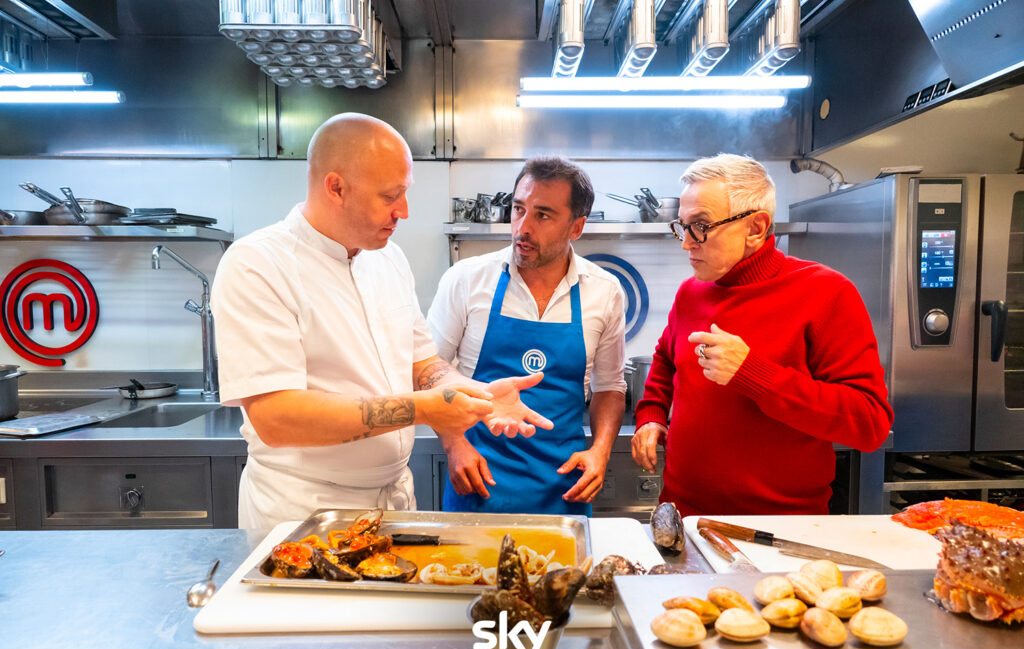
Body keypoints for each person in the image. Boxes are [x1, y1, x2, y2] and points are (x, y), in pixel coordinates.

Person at [211, 113, 552, 534]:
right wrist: (425, 411)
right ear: (335, 187)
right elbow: (277, 418)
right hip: (304, 509)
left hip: (393, 500)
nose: (404, 212)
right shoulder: (257, 265)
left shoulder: (388, 259)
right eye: (391, 196)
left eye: (404, 193)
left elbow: (423, 365)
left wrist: (474, 393)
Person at [631, 153, 893, 516]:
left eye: (701, 225)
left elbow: (869, 424)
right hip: (683, 516)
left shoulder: (826, 293)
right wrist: (652, 414)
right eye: (682, 225)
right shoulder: (692, 292)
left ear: (755, 228)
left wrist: (754, 375)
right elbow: (665, 359)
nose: (686, 243)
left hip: (779, 528)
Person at [427, 156, 627, 516]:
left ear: (576, 227)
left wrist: (600, 451)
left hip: (563, 486)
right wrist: (454, 443)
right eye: (518, 209)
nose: (522, 227)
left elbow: (610, 387)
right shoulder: (467, 279)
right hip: (478, 478)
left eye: (543, 215)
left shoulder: (605, 291)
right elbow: (428, 368)